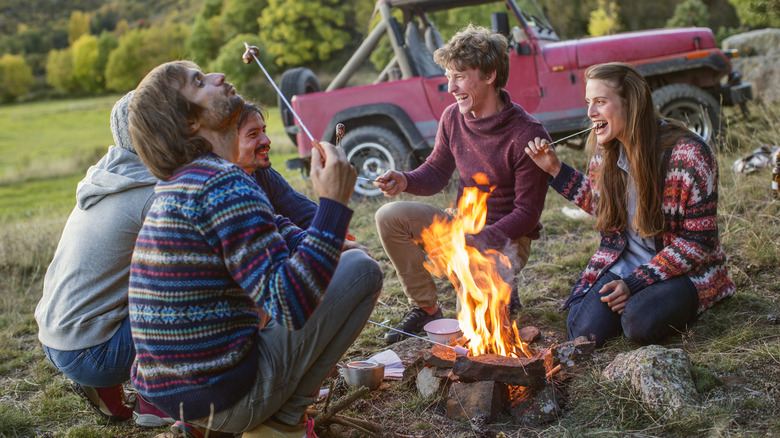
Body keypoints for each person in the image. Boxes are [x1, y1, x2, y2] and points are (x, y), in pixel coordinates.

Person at [127, 60, 382, 437]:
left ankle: (231, 424)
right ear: (188, 122)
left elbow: (265, 228)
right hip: (222, 398)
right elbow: (290, 304)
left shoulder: (187, 182)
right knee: (363, 270)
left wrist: (317, 242)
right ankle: (283, 421)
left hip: (175, 395)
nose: (219, 77)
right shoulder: (222, 183)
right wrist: (334, 205)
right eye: (199, 81)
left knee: (345, 260)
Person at [524, 62, 735, 347]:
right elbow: (605, 210)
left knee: (638, 323)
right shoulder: (605, 151)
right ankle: (636, 301)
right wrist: (555, 170)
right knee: (582, 332)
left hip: (685, 270)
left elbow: (699, 242)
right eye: (588, 102)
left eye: (600, 102)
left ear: (631, 103)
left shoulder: (689, 155)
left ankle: (675, 299)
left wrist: (636, 284)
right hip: (625, 262)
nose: (590, 113)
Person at [373, 24, 550, 344]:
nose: (451, 87)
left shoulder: (527, 133)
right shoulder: (452, 117)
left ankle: (503, 288)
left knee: (468, 327)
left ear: (489, 75)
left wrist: (478, 240)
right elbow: (436, 171)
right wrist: (404, 180)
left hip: (508, 238)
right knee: (389, 216)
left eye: (460, 76)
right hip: (460, 225)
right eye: (448, 77)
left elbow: (527, 213)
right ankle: (425, 307)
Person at [34, 91, 174, 427]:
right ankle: (153, 401)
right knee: (184, 290)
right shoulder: (151, 193)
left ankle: (106, 392)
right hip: (92, 349)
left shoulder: (107, 178)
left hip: (55, 336)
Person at [235, 101, 369, 255]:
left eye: (264, 130)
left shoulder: (261, 172)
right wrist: (327, 239)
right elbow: (276, 232)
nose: (266, 140)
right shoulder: (230, 189)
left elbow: (299, 208)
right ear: (229, 141)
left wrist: (336, 233)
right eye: (253, 134)